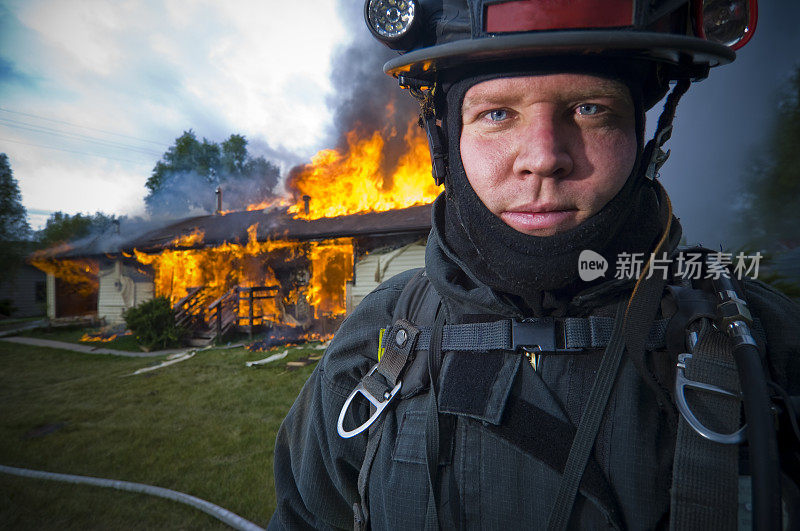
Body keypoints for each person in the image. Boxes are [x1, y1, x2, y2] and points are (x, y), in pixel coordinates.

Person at [269, 1, 800, 529]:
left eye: (590, 108)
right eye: (497, 113)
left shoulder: (766, 345)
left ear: (644, 137)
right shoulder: (377, 341)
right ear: (445, 139)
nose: (544, 156)